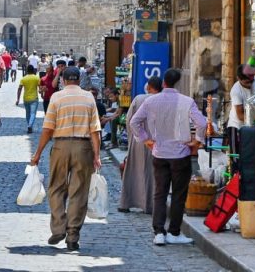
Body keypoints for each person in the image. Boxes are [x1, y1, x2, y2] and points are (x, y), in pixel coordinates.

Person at [130, 69, 206, 246]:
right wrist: (197, 141)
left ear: (164, 83)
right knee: (179, 194)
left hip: (160, 152)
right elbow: (202, 123)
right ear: (179, 84)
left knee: (160, 193)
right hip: (180, 154)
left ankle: (158, 232)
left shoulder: (151, 100)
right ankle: (174, 232)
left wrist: (145, 139)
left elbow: (134, 122)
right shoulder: (187, 101)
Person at [31, 67, 102, 252]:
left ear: (63, 80)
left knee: (56, 188)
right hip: (83, 148)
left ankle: (58, 228)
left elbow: (47, 129)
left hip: (60, 146)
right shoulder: (89, 97)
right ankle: (72, 236)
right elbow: (95, 131)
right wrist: (97, 155)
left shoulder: (56, 97)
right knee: (79, 191)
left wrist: (38, 153)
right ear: (79, 80)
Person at [118, 76, 162, 213]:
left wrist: (132, 138)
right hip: (156, 141)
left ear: (148, 87)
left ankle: (126, 202)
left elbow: (129, 120)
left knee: (133, 170)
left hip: (138, 140)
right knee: (153, 173)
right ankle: (150, 205)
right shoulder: (163, 100)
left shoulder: (139, 99)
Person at [227, 64, 254, 129]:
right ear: (238, 79)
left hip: (250, 125)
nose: (250, 84)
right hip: (236, 127)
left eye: (251, 81)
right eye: (247, 82)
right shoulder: (236, 91)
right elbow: (240, 116)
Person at [16, 65, 41, 133]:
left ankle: (29, 125)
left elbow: (19, 89)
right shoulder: (36, 78)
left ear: (27, 70)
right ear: (33, 70)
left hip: (26, 98)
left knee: (27, 113)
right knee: (33, 113)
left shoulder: (23, 79)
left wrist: (18, 99)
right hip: (34, 98)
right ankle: (30, 125)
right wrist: (41, 93)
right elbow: (40, 88)